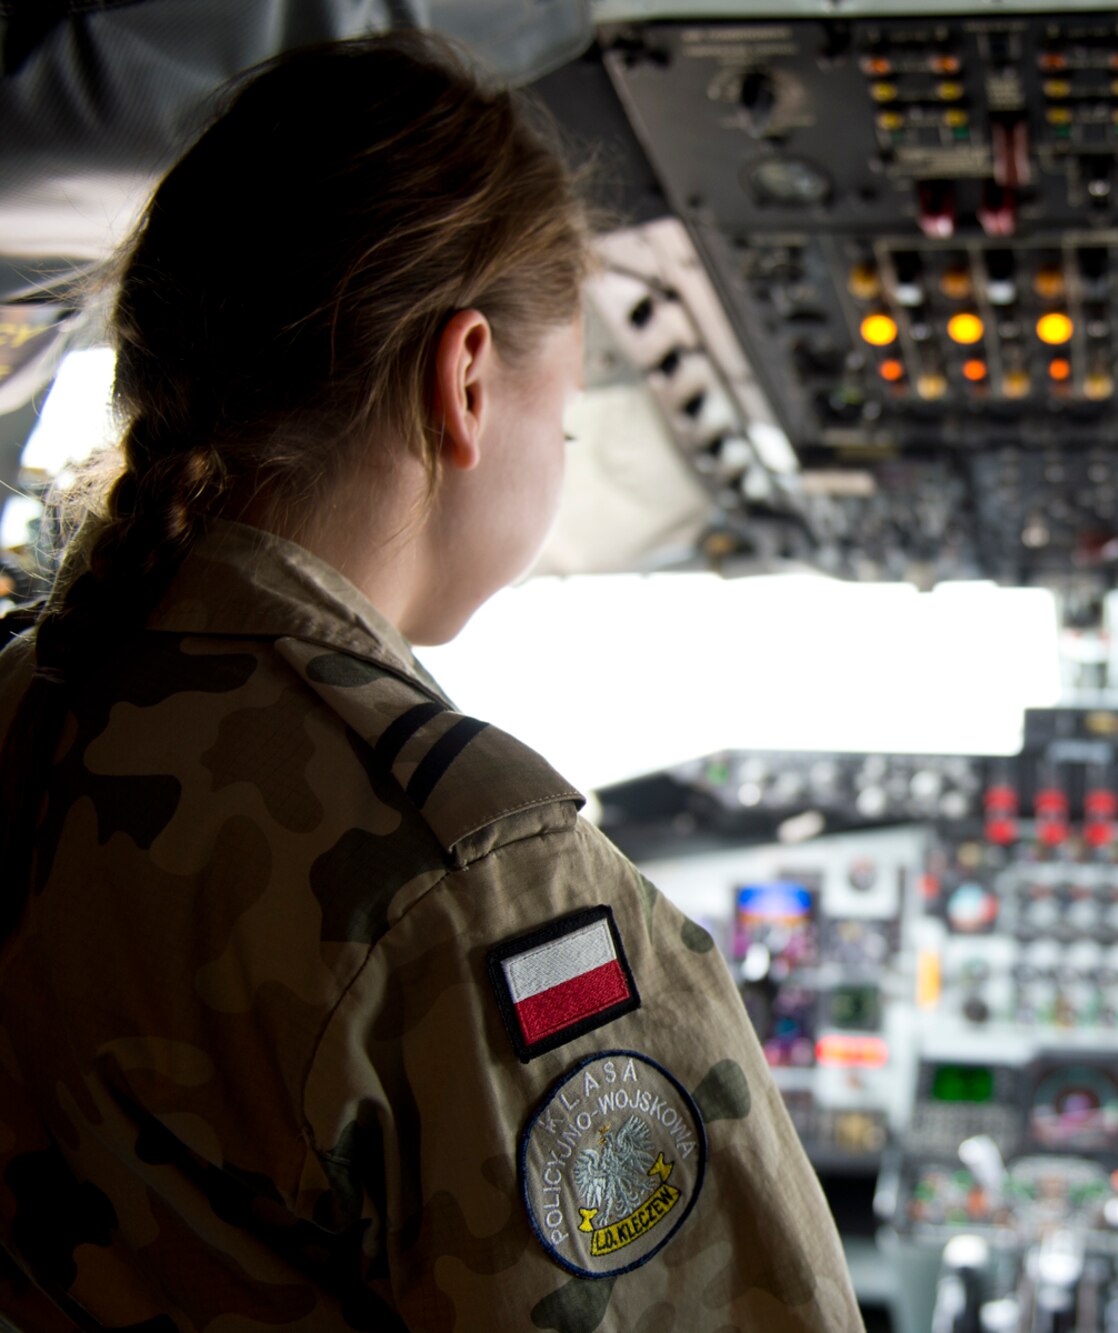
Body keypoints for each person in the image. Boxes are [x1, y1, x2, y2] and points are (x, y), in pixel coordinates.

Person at [0, 33, 862, 1332]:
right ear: (463, 381)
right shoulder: (473, 887)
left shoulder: (30, 707)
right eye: (559, 418)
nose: (558, 454)